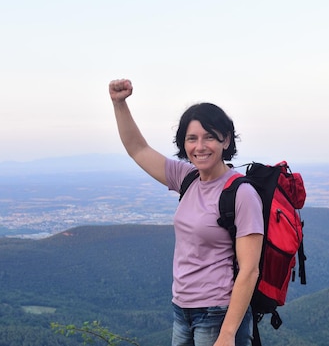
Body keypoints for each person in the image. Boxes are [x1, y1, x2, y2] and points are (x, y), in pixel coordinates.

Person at [109, 78, 264, 346]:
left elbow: (249, 270)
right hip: (182, 310)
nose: (199, 146)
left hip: (217, 313)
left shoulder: (241, 193)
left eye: (209, 137)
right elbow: (138, 149)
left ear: (225, 140)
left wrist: (227, 335)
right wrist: (119, 103)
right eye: (192, 138)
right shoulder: (187, 178)